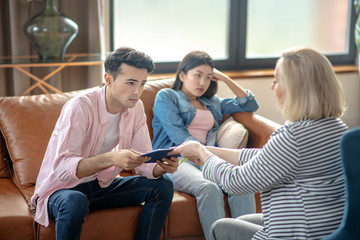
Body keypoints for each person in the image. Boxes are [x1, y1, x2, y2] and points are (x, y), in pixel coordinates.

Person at [170, 46, 348, 240]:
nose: (272, 87)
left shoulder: (294, 136)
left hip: (300, 233)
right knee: (244, 219)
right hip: (324, 228)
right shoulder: (337, 128)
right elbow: (264, 157)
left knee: (220, 228)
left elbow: (236, 182)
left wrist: (204, 156)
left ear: (295, 89)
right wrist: (203, 149)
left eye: (276, 81)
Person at [31, 47, 179, 240]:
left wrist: (162, 168)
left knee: (163, 185)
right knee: (75, 200)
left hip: (99, 186)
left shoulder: (136, 108)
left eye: (143, 83)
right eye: (131, 83)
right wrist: (111, 158)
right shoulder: (80, 107)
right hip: (62, 191)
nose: (137, 91)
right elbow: (62, 168)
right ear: (108, 79)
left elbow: (145, 163)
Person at [152, 50, 259, 239]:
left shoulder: (213, 103)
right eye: (197, 75)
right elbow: (178, 135)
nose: (202, 82)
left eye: (208, 77)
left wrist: (225, 79)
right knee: (208, 188)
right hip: (177, 159)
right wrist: (205, 155)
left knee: (242, 183)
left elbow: (249, 105)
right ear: (182, 75)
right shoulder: (167, 97)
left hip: (205, 158)